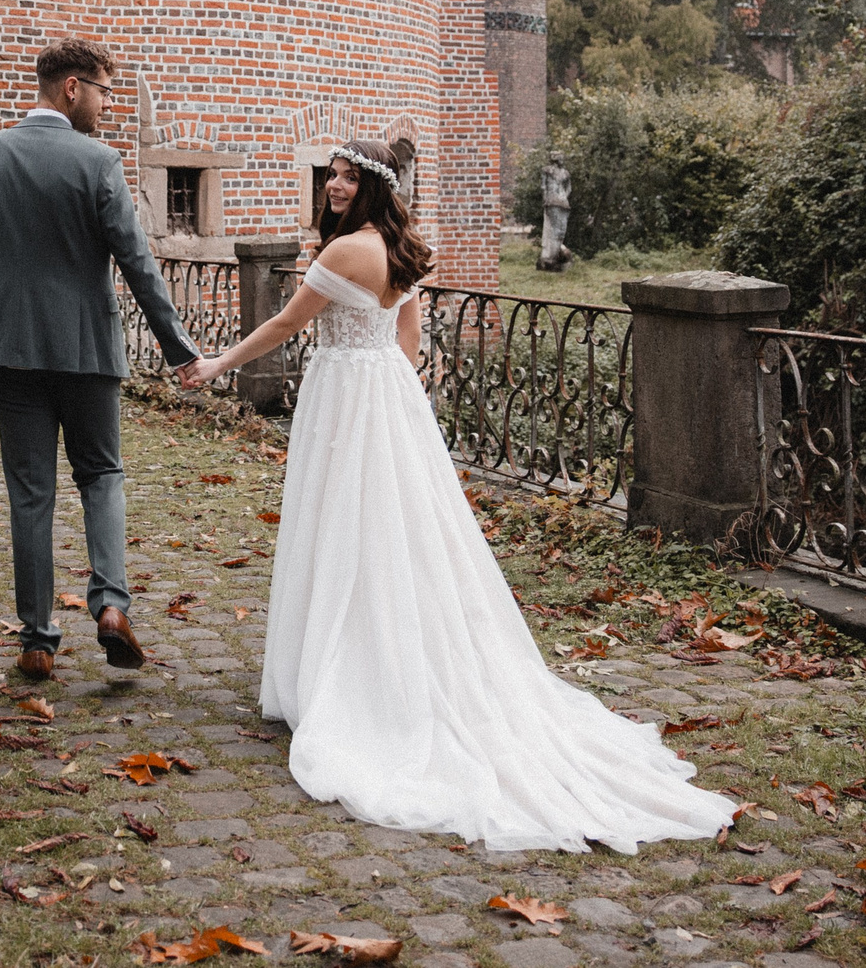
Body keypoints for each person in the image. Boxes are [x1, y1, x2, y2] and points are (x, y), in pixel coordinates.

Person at [179, 140, 737, 853]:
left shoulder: (344, 254)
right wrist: (387, 394)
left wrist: (221, 362)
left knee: (346, 524)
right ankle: (370, 648)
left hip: (347, 394)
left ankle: (350, 670)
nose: (336, 184)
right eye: (334, 175)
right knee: (395, 529)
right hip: (385, 393)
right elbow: (408, 339)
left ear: (376, 188)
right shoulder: (401, 250)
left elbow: (289, 325)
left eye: (351, 177)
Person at [0, 38, 201, 683]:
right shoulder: (98, 162)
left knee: (29, 494)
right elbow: (137, 263)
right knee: (102, 475)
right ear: (71, 89)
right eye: (102, 93)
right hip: (87, 350)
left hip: (8, 351)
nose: (105, 107)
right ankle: (112, 606)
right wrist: (180, 350)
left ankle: (36, 639)